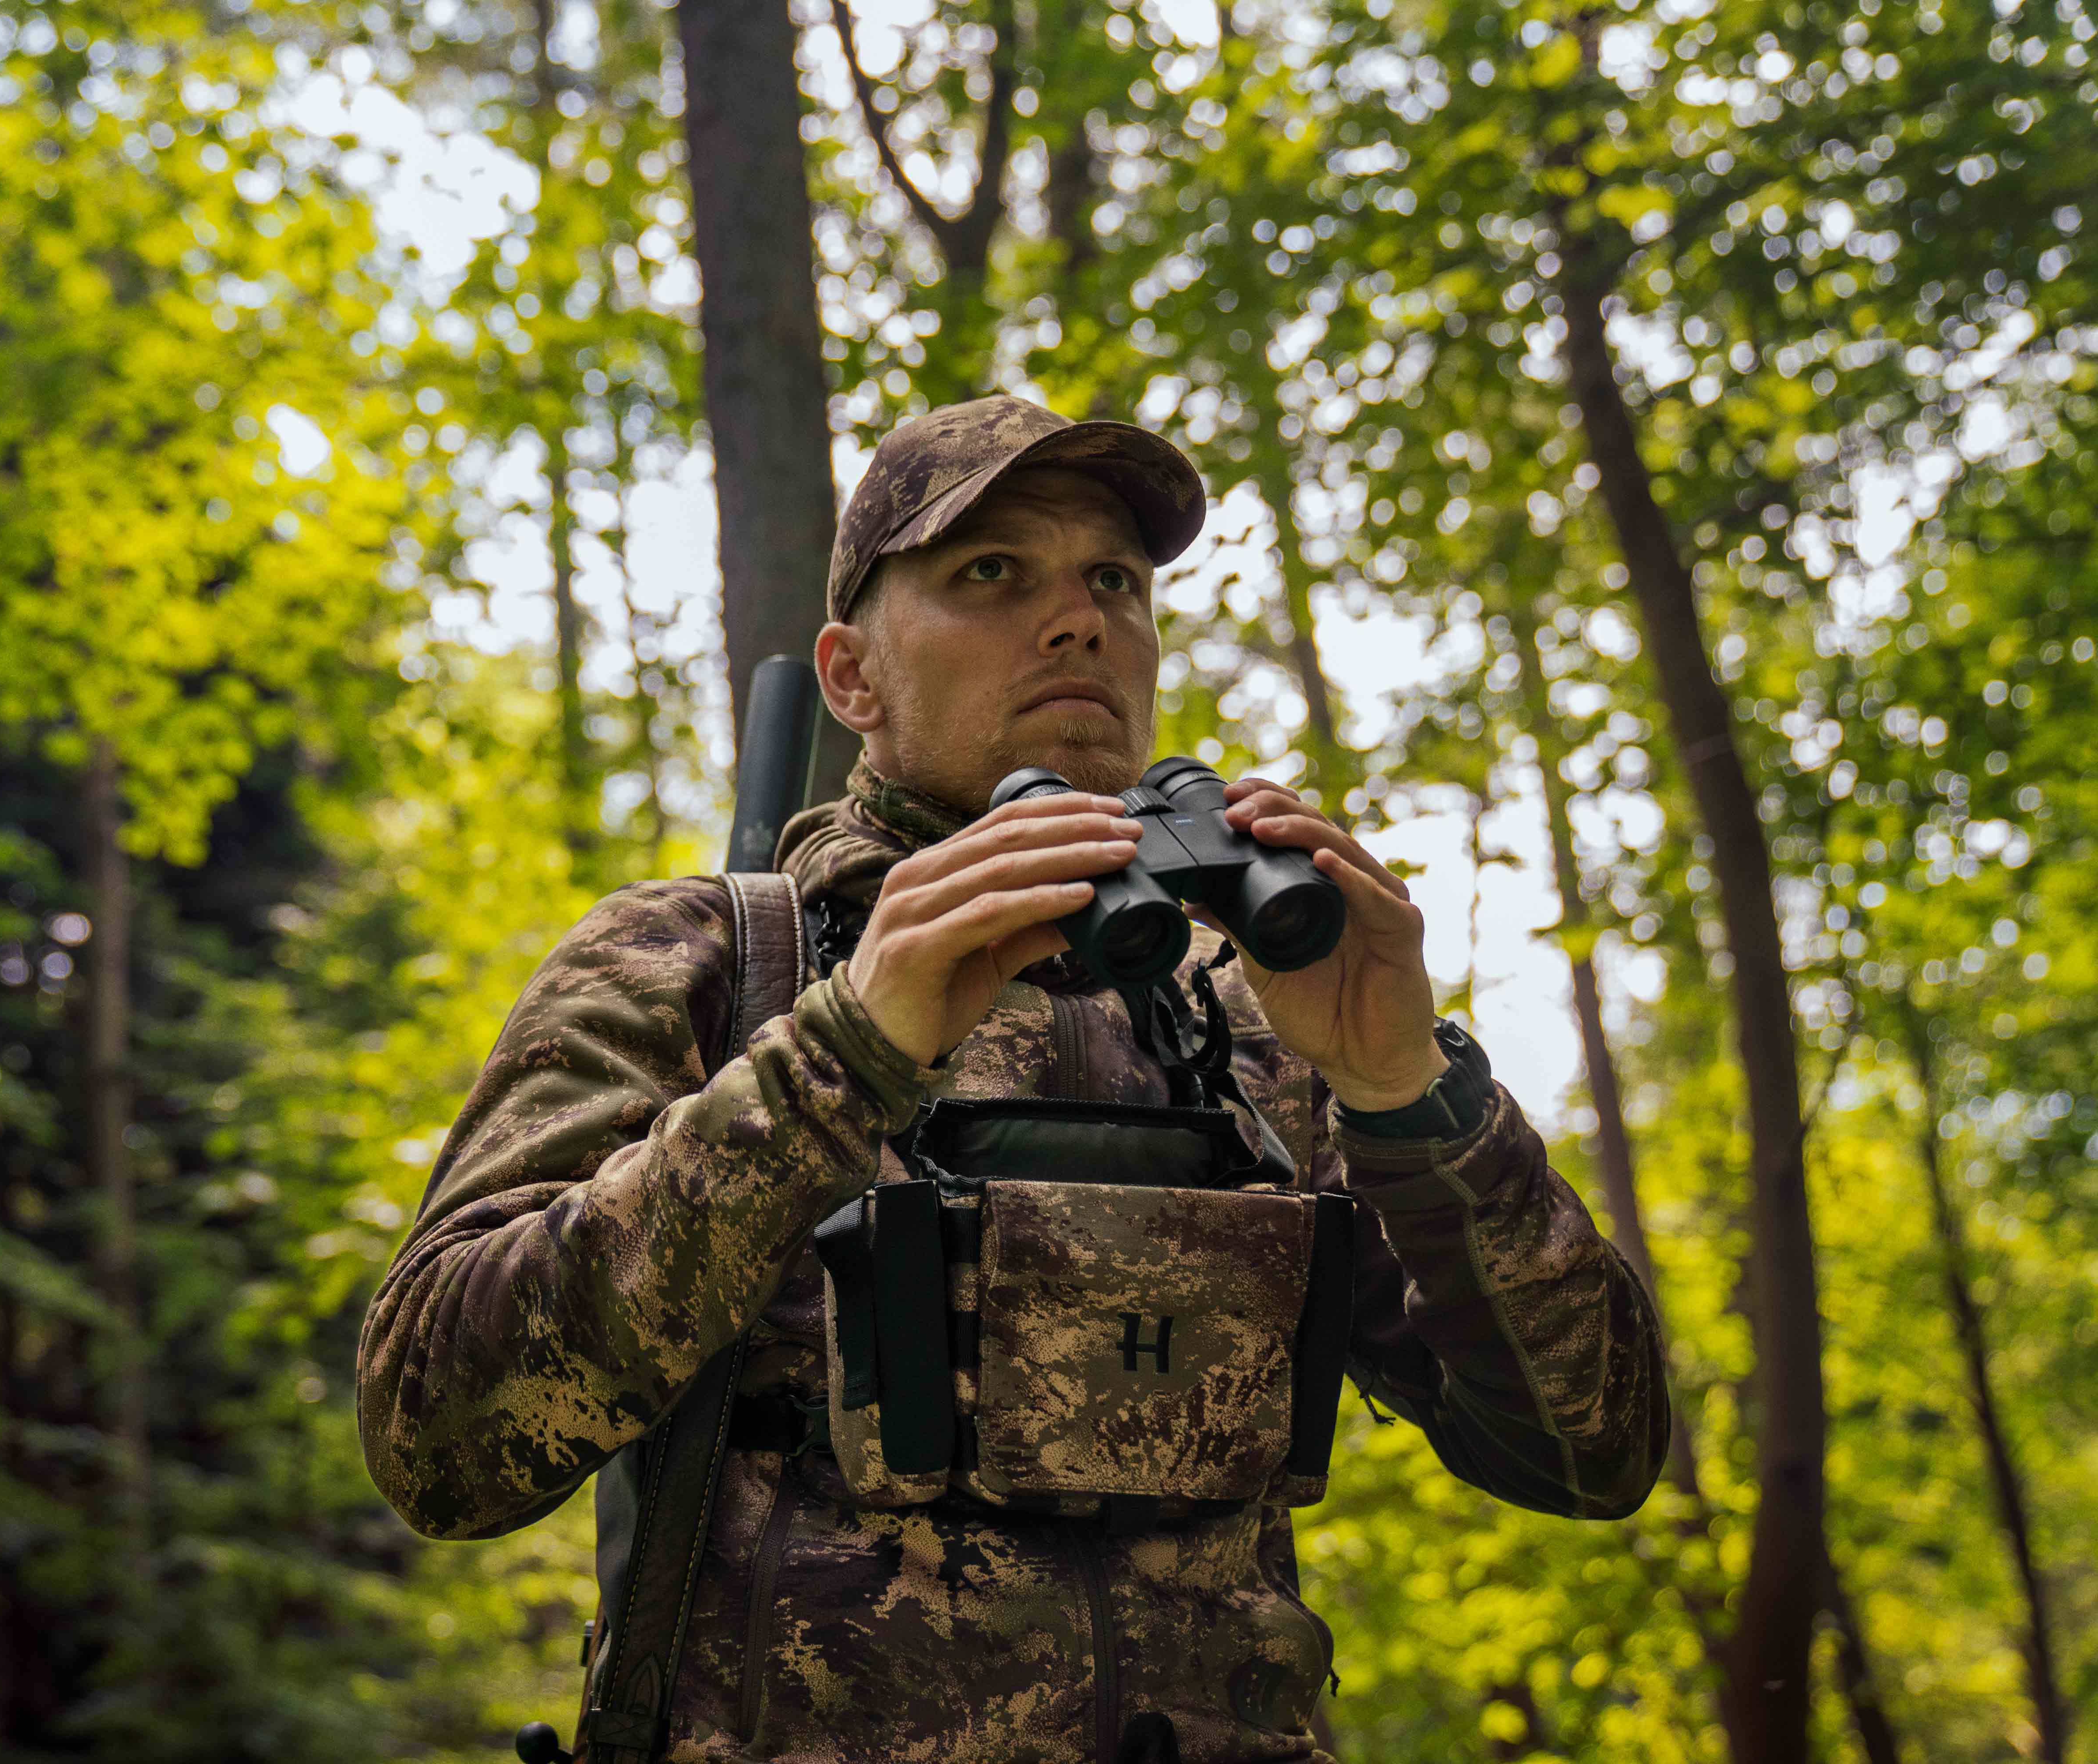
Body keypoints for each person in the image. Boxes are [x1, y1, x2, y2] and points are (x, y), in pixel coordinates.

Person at [356, 395, 1669, 1763]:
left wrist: (1412, 1090)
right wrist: (841, 1056)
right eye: (991, 574)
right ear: (853, 679)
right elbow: (436, 1437)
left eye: (1116, 581)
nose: (1078, 620)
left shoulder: (1255, 1016)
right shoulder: (704, 964)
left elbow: (1591, 1454)